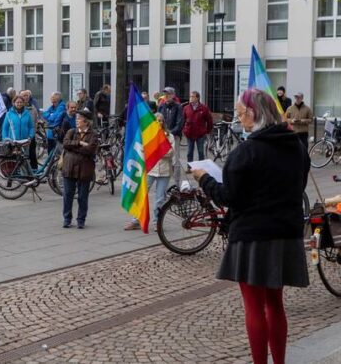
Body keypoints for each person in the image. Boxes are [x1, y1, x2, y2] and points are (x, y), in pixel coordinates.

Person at [192, 88, 310, 364]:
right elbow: (299, 187)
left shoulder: (246, 152)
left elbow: (228, 197)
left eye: (241, 113)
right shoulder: (296, 147)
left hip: (253, 236)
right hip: (286, 232)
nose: (239, 118)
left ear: (254, 115)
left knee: (254, 306)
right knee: (275, 304)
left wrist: (202, 178)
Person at [125, 112, 174, 231]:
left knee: (159, 198)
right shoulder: (147, 135)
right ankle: (136, 220)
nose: (159, 122)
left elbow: (171, 152)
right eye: (157, 120)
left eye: (161, 120)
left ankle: (157, 221)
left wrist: (157, 149)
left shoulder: (169, 136)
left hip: (164, 171)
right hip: (150, 170)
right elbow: (143, 151)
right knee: (141, 194)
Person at [60, 109, 98, 229]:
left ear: (86, 122)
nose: (77, 121)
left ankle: (81, 219)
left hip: (85, 169)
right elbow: (65, 144)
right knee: (68, 195)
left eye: (79, 119)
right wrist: (80, 143)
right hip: (69, 167)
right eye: (76, 119)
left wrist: (74, 147)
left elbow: (91, 149)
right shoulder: (71, 131)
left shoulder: (93, 134)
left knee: (82, 196)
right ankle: (67, 219)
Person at [158, 87, 184, 182]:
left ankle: (177, 182)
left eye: (169, 94)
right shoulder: (161, 106)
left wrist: (170, 133)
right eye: (165, 94)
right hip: (163, 135)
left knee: (175, 159)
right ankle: (164, 179)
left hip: (174, 135)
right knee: (163, 157)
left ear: (173, 95)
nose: (166, 96)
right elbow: (158, 120)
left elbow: (180, 122)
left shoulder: (178, 107)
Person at [182, 91, 213, 163]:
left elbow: (209, 120)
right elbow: (183, 120)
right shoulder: (186, 108)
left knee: (201, 152)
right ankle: (189, 167)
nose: (191, 98)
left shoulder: (204, 108)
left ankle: (201, 167)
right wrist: (184, 130)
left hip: (200, 134)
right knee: (189, 152)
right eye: (190, 96)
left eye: (193, 97)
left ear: (197, 98)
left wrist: (207, 131)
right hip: (189, 133)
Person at [20, 90, 40, 168]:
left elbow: (36, 121)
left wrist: (34, 132)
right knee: (24, 156)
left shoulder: (32, 107)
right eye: (24, 95)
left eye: (27, 95)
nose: (26, 97)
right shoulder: (19, 107)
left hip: (31, 135)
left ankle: (34, 171)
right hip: (21, 136)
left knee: (32, 154)